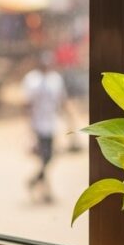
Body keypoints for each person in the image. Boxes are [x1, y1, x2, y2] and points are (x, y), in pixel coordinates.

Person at [23, 52, 70, 203]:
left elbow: (62, 100)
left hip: (51, 123)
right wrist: (29, 127)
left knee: (49, 157)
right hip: (38, 124)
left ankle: (35, 180)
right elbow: (27, 104)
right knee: (44, 156)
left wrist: (69, 119)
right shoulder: (32, 80)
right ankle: (46, 191)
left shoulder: (55, 79)